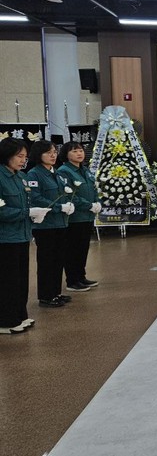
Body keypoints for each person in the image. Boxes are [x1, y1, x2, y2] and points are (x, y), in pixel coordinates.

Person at [0, 138, 49, 334]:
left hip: (22, 235)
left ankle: (20, 314)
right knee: (7, 280)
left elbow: (26, 202)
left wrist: (34, 213)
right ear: (7, 155)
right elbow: (2, 211)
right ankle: (6, 320)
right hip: (5, 238)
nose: (23, 161)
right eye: (19, 156)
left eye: (25, 157)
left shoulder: (20, 176)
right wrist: (26, 213)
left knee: (21, 278)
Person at [26, 140, 75, 308]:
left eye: (54, 152)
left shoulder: (57, 173)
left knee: (58, 259)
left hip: (60, 223)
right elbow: (36, 198)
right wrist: (58, 207)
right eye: (48, 152)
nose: (53, 155)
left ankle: (56, 292)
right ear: (38, 155)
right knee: (47, 261)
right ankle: (46, 296)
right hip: (45, 225)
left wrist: (68, 204)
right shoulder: (34, 174)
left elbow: (64, 193)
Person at [57, 142, 101, 291]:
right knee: (72, 249)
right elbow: (69, 195)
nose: (79, 153)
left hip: (87, 216)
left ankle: (81, 276)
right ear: (66, 154)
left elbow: (93, 188)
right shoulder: (64, 171)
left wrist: (97, 202)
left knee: (83, 248)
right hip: (74, 217)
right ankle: (72, 280)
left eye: (80, 150)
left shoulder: (85, 170)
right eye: (74, 151)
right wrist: (88, 205)